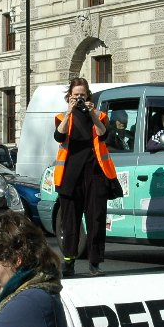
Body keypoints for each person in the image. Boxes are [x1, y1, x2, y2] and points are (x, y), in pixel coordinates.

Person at [53, 77, 117, 278]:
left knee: (96, 218)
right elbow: (59, 136)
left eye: (82, 95)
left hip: (95, 173)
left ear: (88, 95)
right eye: (75, 96)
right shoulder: (62, 116)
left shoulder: (99, 114)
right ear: (69, 97)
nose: (79, 98)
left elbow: (103, 133)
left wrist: (92, 113)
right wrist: (70, 113)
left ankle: (95, 263)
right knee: (70, 221)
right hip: (70, 175)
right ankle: (69, 262)